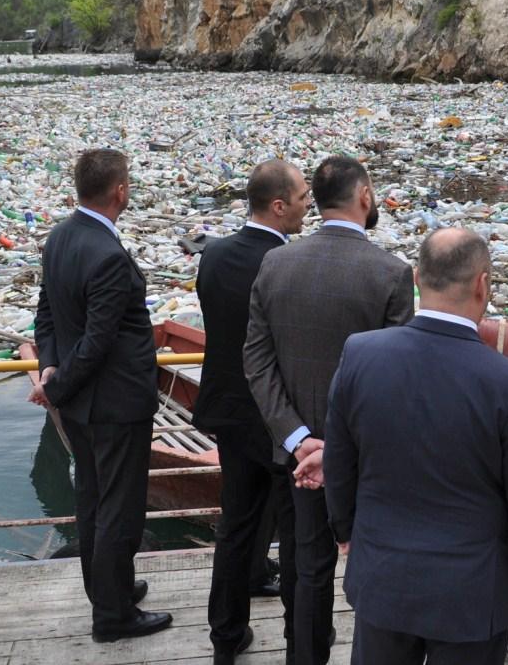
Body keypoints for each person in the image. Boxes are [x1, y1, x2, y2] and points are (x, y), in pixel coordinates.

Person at [308, 227, 508, 665]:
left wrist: (346, 531)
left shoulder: (361, 354)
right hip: (471, 595)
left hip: (382, 578)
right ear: (483, 283)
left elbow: (341, 459)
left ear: (416, 277)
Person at [245, 155, 414, 665]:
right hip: (367, 456)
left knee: (309, 563)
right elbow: (397, 380)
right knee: (377, 560)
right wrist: (342, 447)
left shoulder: (276, 263)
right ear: (363, 195)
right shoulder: (390, 273)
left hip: (299, 455)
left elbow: (256, 361)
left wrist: (298, 438)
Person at [29, 149, 173, 643]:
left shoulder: (60, 237)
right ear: (120, 191)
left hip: (81, 406)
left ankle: (108, 591)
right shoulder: (108, 255)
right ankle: (112, 617)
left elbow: (45, 313)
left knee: (92, 501)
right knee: (119, 509)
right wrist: (57, 382)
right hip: (114, 404)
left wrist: (49, 368)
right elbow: (98, 340)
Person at [196, 159, 309, 664]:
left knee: (236, 526)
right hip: (278, 420)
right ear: (279, 205)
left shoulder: (214, 255)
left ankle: (226, 637)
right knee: (294, 531)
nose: (310, 205)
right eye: (304, 197)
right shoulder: (288, 264)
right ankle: (299, 638)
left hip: (227, 412)